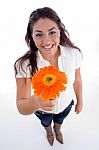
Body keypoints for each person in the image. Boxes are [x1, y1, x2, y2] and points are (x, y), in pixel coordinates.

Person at [14, 7, 83, 146]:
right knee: (46, 122)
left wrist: (80, 100)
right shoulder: (24, 65)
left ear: (60, 32)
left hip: (66, 105)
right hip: (41, 111)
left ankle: (57, 129)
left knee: (60, 120)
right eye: (39, 34)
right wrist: (37, 102)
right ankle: (49, 131)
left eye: (52, 32)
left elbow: (77, 80)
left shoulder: (74, 54)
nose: (46, 41)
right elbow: (21, 106)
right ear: (31, 37)